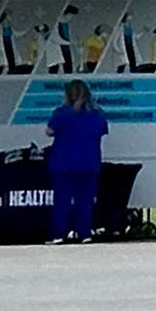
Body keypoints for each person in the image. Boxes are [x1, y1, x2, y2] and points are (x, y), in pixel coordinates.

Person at [45, 80, 109, 245]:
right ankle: (84, 233)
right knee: (85, 202)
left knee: (62, 201)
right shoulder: (97, 115)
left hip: (63, 164)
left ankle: (59, 234)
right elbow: (102, 131)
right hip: (89, 163)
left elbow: (49, 131)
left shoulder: (60, 114)